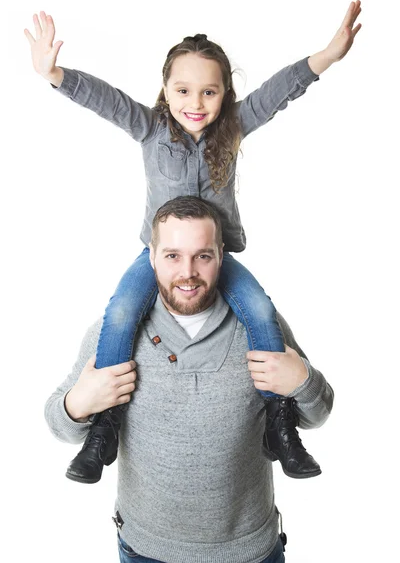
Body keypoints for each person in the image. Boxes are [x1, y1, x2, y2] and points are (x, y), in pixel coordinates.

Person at [27, 2, 359, 484]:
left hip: (214, 261)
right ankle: (103, 428)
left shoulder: (233, 129)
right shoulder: (150, 129)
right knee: (121, 311)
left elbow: (278, 93)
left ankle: (281, 425)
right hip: (161, 259)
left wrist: (326, 56)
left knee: (262, 313)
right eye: (183, 90)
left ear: (225, 94)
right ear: (165, 90)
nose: (196, 103)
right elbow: (108, 100)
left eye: (210, 91)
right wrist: (55, 74)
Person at [45, 196, 334, 563]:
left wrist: (302, 381)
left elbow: (317, 414)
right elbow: (58, 425)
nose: (188, 271)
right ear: (151, 256)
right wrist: (78, 403)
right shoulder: (112, 335)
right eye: (172, 256)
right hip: (145, 550)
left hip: (251, 552)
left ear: (221, 255)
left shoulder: (263, 330)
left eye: (203, 255)